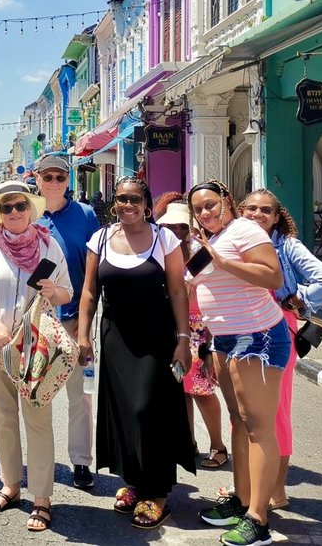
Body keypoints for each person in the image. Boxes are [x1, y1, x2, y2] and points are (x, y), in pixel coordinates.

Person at [78, 177, 195, 530]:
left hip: (156, 336)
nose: (127, 205)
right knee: (123, 411)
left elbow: (177, 292)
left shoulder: (165, 239)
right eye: (121, 199)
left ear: (146, 203)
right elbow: (88, 292)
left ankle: (157, 492)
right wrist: (83, 336)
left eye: (134, 199)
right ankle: (133, 481)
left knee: (149, 410)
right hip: (115, 335)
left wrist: (184, 338)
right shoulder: (100, 238)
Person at [0, 180, 72, 532]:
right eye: (6, 207)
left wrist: (55, 291)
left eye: (20, 206)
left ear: (30, 208)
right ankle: (9, 486)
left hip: (37, 347)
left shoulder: (49, 245)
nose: (13, 213)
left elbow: (67, 293)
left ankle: (41, 497)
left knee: (37, 417)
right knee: (2, 415)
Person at [188, 180, 289, 546]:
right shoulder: (208, 241)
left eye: (211, 204)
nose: (205, 212)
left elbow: (272, 276)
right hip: (225, 339)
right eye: (198, 208)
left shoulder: (244, 229)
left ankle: (258, 519)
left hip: (258, 337)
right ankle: (242, 499)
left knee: (259, 426)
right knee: (238, 421)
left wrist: (223, 262)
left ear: (227, 202)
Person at [241, 189, 322, 509]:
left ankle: (277, 491)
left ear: (276, 217)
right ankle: (251, 489)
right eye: (251, 208)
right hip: (241, 329)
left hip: (276, 330)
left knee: (275, 412)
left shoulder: (287, 246)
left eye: (265, 210)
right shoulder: (235, 241)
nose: (257, 215)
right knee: (244, 414)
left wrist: (299, 298)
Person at [32, 155, 100, 490]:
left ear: (68, 180)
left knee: (80, 395)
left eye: (61, 177)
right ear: (38, 179)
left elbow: (95, 269)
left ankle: (80, 462)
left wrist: (89, 326)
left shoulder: (86, 215)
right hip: (36, 323)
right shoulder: (27, 214)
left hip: (74, 320)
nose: (55, 183)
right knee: (36, 394)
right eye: (49, 177)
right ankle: (39, 462)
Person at [155, 196, 227, 472]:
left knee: (202, 390)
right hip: (172, 325)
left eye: (181, 227)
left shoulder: (200, 253)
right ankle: (187, 442)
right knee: (179, 390)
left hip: (199, 327)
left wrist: (210, 344)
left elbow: (211, 293)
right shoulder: (160, 250)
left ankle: (218, 445)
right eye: (170, 227)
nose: (176, 232)